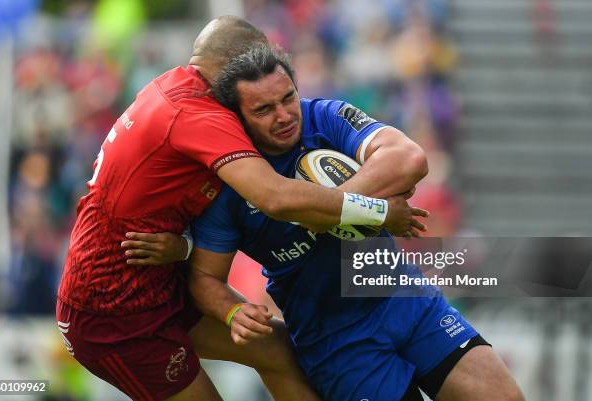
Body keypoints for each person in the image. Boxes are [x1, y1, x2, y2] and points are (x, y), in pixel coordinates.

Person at [56, 16, 425, 401]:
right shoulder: (199, 114)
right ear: (238, 64)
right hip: (112, 311)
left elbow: (159, 206)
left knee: (278, 350)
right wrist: (376, 212)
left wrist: (182, 247)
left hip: (159, 286)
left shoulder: (173, 88)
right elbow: (275, 198)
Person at [133, 46, 525, 401]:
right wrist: (233, 312)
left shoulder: (326, 117)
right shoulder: (229, 184)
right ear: (238, 119)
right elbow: (204, 278)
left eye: (288, 98)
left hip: (405, 298)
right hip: (337, 341)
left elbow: (409, 158)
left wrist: (325, 213)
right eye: (263, 110)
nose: (284, 115)